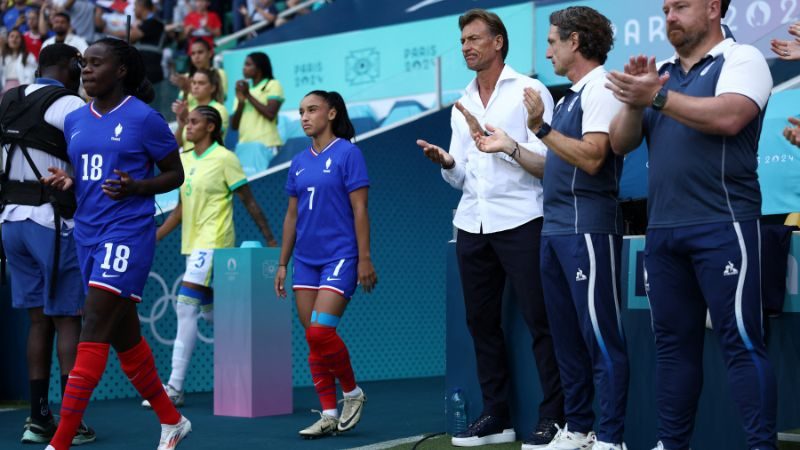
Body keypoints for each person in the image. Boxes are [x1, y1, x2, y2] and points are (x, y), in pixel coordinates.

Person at [606, 0, 776, 448]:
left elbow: (729, 117)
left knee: (739, 341)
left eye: (680, 6)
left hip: (723, 223)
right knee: (673, 349)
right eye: (665, 9)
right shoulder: (660, 71)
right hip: (663, 232)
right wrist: (633, 102)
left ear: (713, 8)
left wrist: (656, 96)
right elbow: (621, 144)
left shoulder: (743, 59)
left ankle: (762, 446)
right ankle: (671, 443)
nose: (670, 17)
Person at [472, 7, 628, 450]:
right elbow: (554, 165)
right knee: (566, 341)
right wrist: (510, 147)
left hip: (587, 229)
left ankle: (611, 437)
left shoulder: (600, 87)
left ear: (575, 42)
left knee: (599, 337)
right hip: (555, 230)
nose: (547, 51)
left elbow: (593, 158)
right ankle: (578, 429)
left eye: (553, 41)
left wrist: (540, 126)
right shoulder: (570, 96)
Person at [415, 8, 565, 448]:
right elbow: (462, 174)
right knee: (481, 323)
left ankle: (555, 416)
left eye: (474, 38)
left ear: (498, 42)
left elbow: (549, 165)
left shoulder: (531, 90)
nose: (466, 47)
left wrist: (507, 146)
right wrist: (447, 163)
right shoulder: (462, 100)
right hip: (471, 225)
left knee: (542, 322)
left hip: (522, 219)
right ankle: (497, 416)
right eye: (462, 41)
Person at [40, 37, 191, 450]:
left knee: (92, 323)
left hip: (126, 233)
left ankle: (61, 441)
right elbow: (88, 177)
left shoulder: (144, 118)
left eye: (95, 63)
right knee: (125, 338)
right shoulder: (76, 119)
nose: (85, 70)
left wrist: (138, 186)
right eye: (83, 63)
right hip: (86, 233)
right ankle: (172, 421)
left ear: (121, 70)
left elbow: (175, 175)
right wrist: (67, 183)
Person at [143, 105, 278, 408]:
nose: (187, 126)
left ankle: (174, 387)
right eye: (187, 122)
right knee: (207, 313)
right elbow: (179, 210)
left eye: (193, 122)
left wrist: (269, 237)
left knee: (184, 307)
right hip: (193, 245)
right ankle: (246, 332)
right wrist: (154, 237)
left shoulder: (225, 159)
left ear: (210, 127)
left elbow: (249, 201)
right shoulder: (186, 158)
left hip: (214, 241)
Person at [0, 43, 94, 446]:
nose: (85, 73)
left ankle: (38, 420)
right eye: (82, 65)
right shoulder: (69, 102)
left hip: (9, 222)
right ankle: (73, 423)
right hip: (50, 222)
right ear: (70, 66)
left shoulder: (8, 98)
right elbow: (96, 156)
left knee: (39, 322)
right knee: (68, 319)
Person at [274, 90, 376, 439]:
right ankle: (329, 413)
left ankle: (351, 393)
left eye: (312, 110)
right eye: (301, 111)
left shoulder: (349, 153)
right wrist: (283, 263)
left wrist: (364, 258)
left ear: (331, 114)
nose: (304, 116)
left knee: (321, 332)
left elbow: (360, 209)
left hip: (341, 256)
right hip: (305, 260)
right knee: (314, 340)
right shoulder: (299, 161)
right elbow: (291, 216)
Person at [231, 51, 284, 175]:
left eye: (248, 64)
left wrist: (248, 95)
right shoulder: (242, 90)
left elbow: (270, 114)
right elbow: (234, 126)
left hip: (267, 145)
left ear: (259, 68)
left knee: (264, 181)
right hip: (245, 146)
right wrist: (241, 102)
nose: (244, 68)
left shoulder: (272, 84)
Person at [172, 68, 228, 150]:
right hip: (187, 161)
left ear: (212, 88)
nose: (195, 87)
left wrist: (187, 118)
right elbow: (176, 146)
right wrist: (181, 125)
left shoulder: (219, 109)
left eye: (201, 83)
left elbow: (214, 138)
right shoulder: (189, 109)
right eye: (193, 83)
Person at [169, 38, 227, 103]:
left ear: (210, 53)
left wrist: (189, 89)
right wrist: (185, 92)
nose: (196, 56)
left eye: (200, 52)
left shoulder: (220, 73)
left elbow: (220, 100)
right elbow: (181, 107)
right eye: (193, 54)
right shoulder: (186, 76)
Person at [1, 28, 37, 93]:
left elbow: (31, 76)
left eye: (17, 37)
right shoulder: (3, 56)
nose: (14, 39)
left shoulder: (28, 56)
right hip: (5, 89)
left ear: (21, 40)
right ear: (7, 40)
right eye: (12, 36)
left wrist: (24, 90)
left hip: (21, 89)